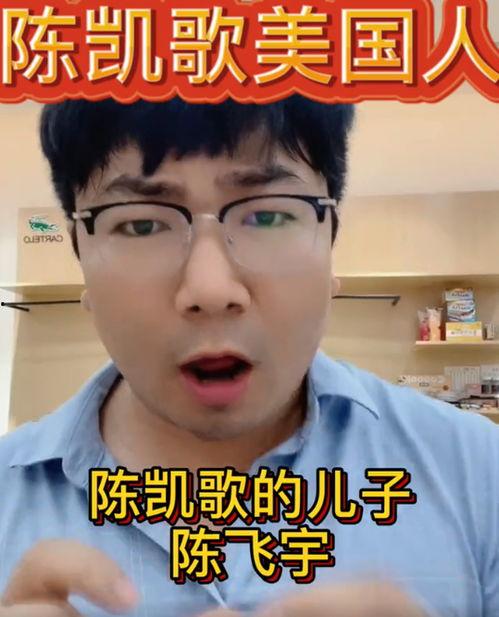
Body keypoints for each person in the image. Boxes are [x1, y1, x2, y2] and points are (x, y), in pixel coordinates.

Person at [0, 97, 497, 617]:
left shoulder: (479, 471)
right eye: (142, 225)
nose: (210, 289)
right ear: (81, 257)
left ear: (330, 240)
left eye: (267, 215)